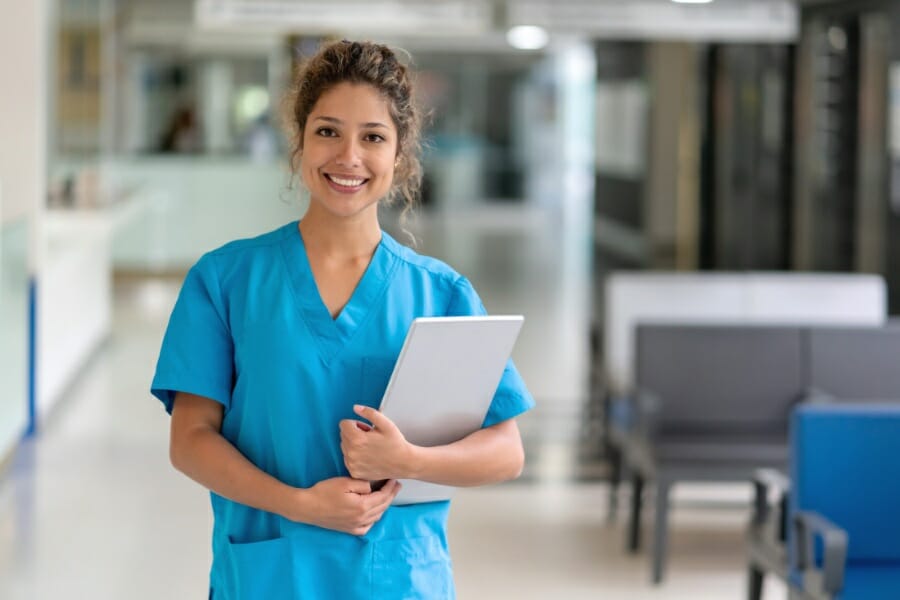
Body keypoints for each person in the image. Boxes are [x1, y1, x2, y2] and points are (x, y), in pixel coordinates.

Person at [151, 39, 534, 600]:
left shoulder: (442, 293)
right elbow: (189, 440)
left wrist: (409, 460)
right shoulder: (225, 280)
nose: (348, 157)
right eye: (328, 131)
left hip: (398, 579)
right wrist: (300, 504)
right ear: (300, 141)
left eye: (373, 137)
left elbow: (506, 451)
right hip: (270, 578)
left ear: (399, 155)